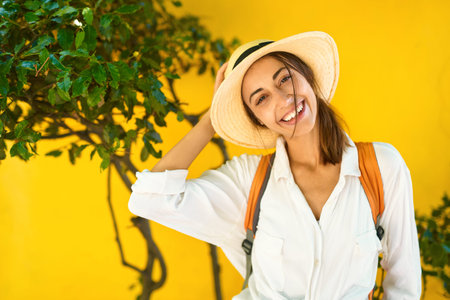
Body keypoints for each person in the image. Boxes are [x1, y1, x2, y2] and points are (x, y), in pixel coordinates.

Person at [128, 31, 422, 299]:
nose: (283, 99)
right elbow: (150, 200)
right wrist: (211, 120)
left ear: (308, 77)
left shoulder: (381, 168)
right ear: (258, 119)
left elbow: (403, 285)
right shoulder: (250, 179)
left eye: (284, 79)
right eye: (262, 99)